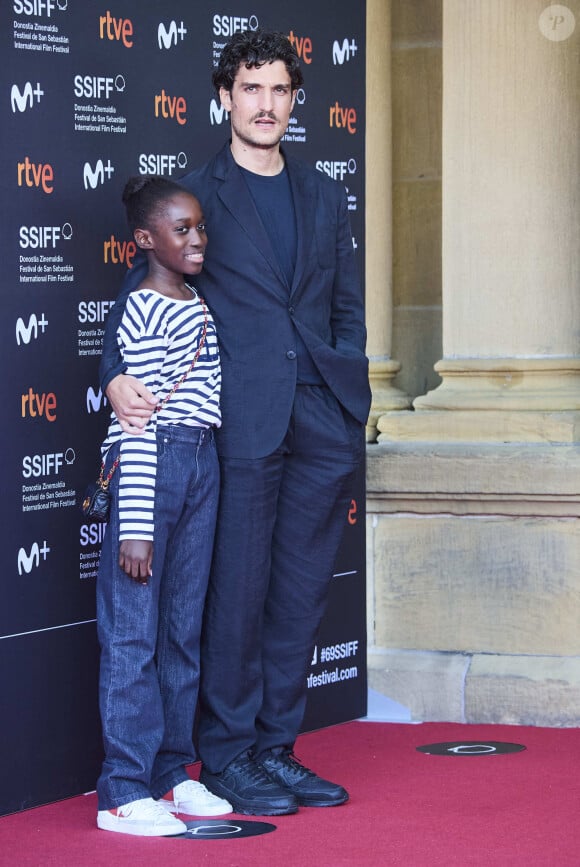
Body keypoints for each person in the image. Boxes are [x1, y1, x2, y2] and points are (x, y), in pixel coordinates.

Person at [100, 30, 371, 817]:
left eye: (279, 90)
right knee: (237, 597)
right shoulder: (195, 196)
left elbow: (343, 305)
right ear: (225, 98)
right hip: (238, 427)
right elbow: (136, 301)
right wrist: (112, 375)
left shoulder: (324, 192)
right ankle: (224, 755)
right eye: (250, 89)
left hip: (320, 421)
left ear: (295, 100)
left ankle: (275, 747)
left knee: (297, 596)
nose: (265, 105)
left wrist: (347, 387)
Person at [95, 175, 232, 836]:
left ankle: (173, 774)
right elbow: (137, 421)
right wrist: (138, 525)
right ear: (145, 240)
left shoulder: (195, 299)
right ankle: (123, 787)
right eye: (182, 229)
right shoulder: (145, 307)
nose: (198, 238)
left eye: (201, 226)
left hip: (202, 459)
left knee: (181, 629)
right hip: (157, 465)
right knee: (133, 634)